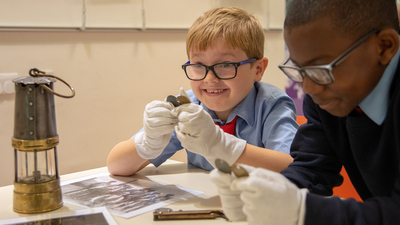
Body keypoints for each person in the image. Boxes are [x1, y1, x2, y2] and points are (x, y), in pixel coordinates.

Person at [210, 0, 400, 224]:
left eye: (321, 69)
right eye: (300, 70)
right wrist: (270, 190)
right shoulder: (329, 94)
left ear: (385, 46)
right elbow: (313, 167)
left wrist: (302, 210)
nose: (308, 88)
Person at [107, 7, 299, 176]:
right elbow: (116, 166)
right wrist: (148, 142)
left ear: (258, 69)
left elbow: (293, 169)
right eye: (198, 65)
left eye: (225, 64)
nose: (209, 79)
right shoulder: (189, 108)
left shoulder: (272, 105)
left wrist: (221, 146)